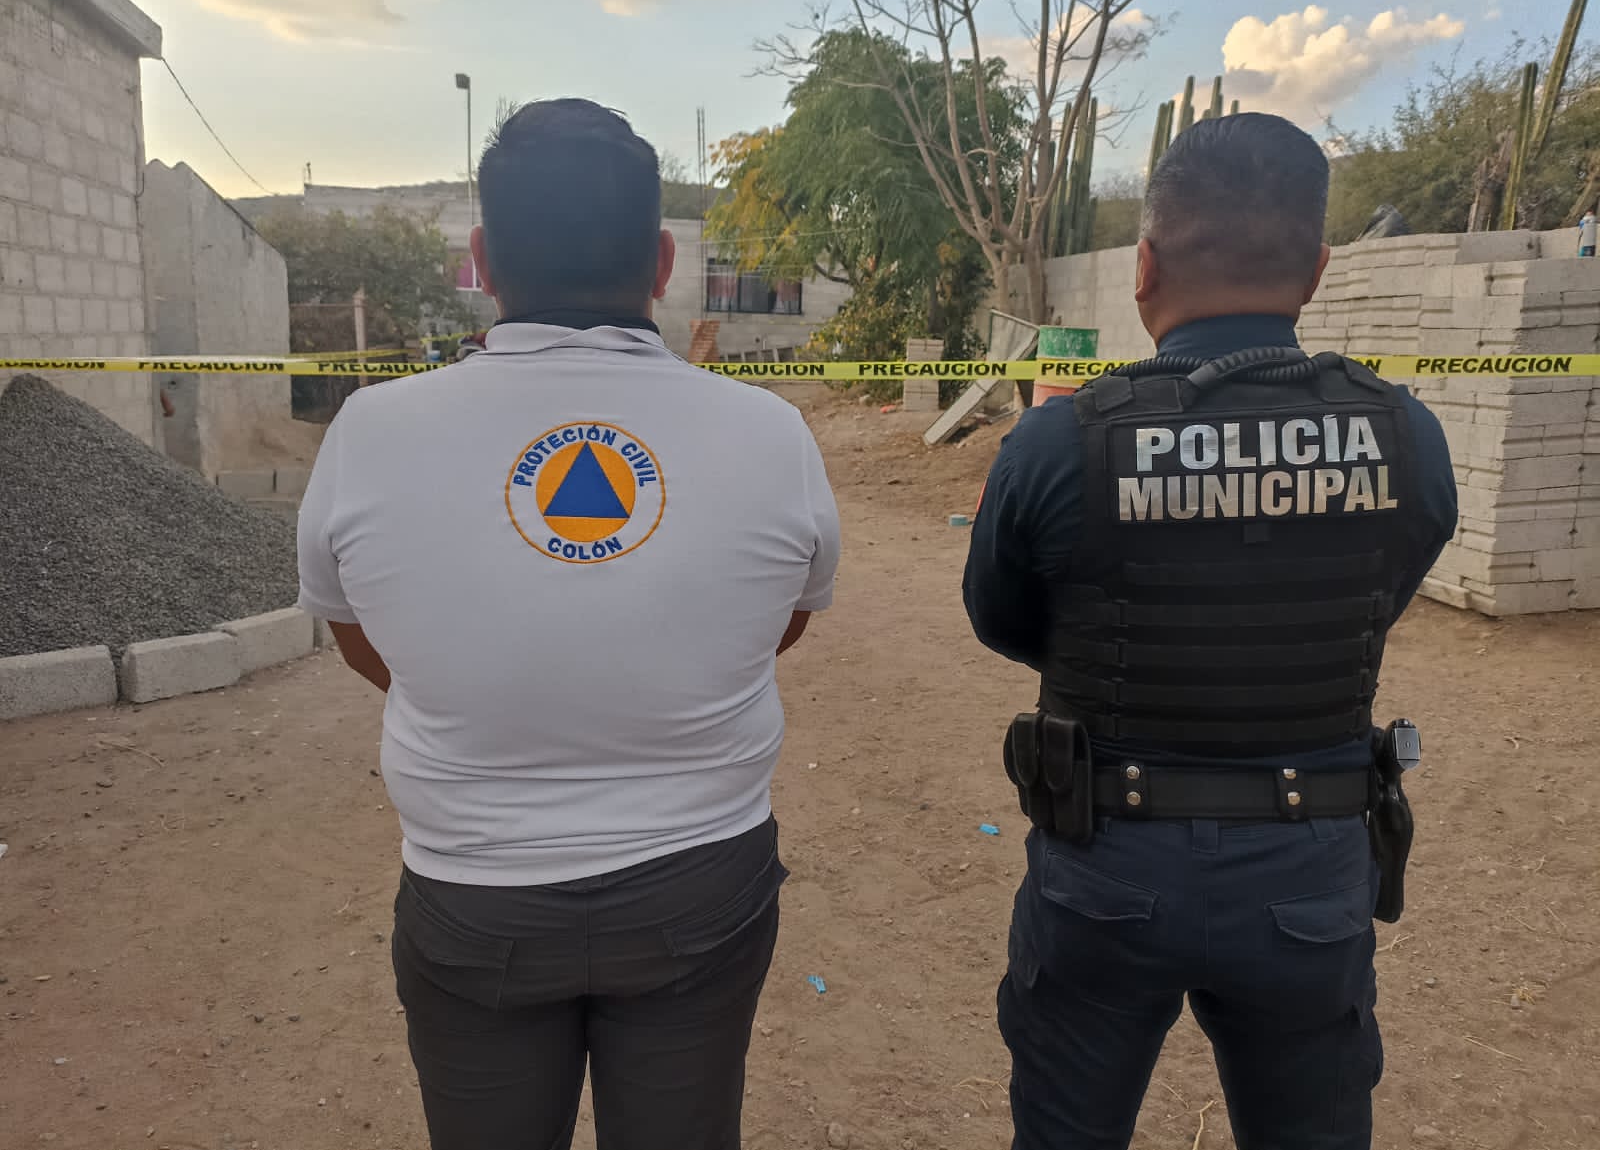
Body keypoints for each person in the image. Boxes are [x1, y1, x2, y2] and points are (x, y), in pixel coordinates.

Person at [296, 98, 841, 1150]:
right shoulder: (771, 434)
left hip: (472, 895)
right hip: (699, 885)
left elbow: (362, 638)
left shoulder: (370, 431)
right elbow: (778, 625)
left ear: (483, 259)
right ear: (662, 261)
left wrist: (487, 688)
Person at [963, 112, 1458, 1150]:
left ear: (1143, 267)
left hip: (1105, 861)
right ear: (1315, 270)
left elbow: (1003, 620)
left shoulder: (1056, 442)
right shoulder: (1404, 435)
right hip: (1308, 870)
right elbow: (1382, 594)